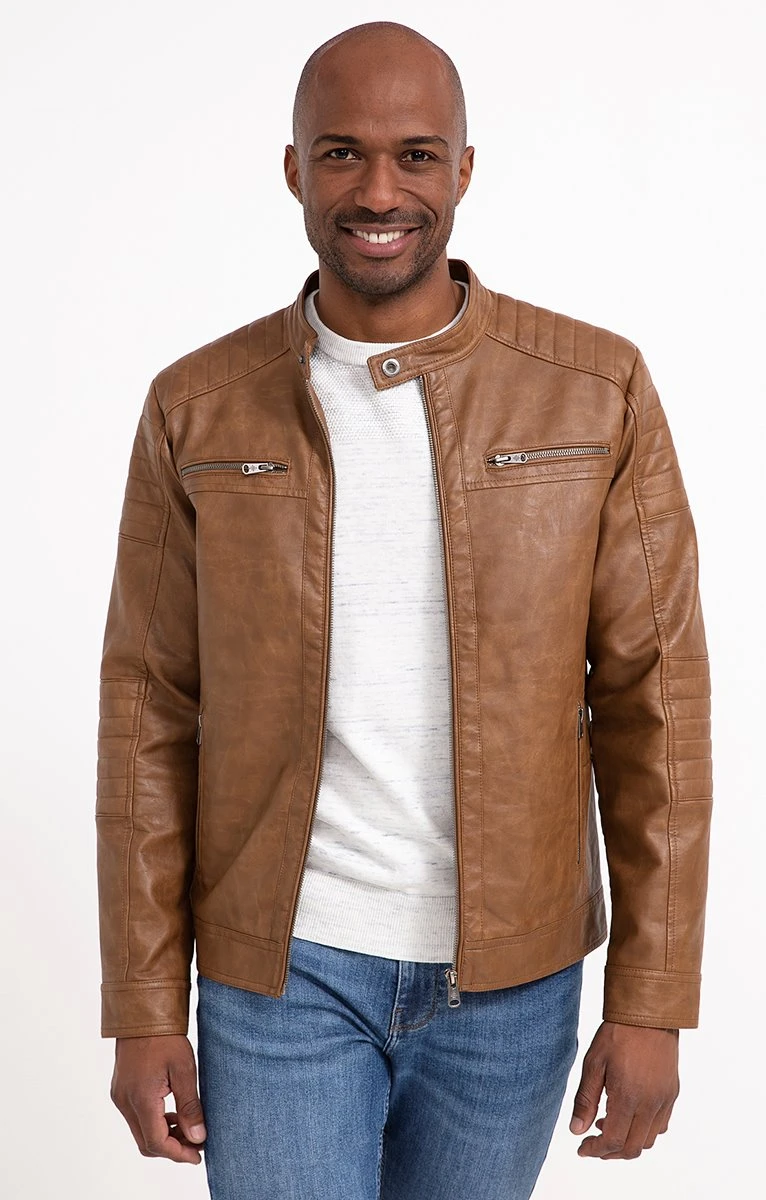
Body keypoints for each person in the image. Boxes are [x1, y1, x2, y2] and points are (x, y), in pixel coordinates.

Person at [96, 21, 713, 1200]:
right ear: (293, 168)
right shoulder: (198, 407)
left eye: (416, 155)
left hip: (514, 984)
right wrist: (141, 1002)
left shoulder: (595, 391)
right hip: (280, 976)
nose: (379, 193)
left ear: (464, 168)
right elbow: (149, 709)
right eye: (342, 153)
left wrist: (651, 998)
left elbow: (656, 708)